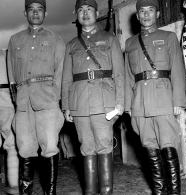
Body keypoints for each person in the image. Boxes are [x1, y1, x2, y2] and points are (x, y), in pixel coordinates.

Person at [61, 0, 124, 194]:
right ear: (76, 15)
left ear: (97, 13)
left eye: (89, 9)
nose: (85, 13)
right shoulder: (71, 45)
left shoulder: (109, 39)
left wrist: (120, 101)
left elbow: (120, 73)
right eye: (81, 10)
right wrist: (66, 106)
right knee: (86, 147)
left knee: (104, 145)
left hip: (104, 102)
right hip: (79, 103)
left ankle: (105, 192)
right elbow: (66, 79)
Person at [124, 0, 186, 194]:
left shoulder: (168, 37)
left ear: (157, 14)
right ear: (137, 16)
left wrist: (178, 101)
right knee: (149, 148)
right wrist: (128, 106)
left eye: (150, 10)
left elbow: (177, 69)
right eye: (142, 11)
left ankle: (174, 192)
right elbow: (127, 76)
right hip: (139, 103)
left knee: (168, 146)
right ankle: (159, 192)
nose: (146, 15)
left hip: (163, 99)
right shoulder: (130, 43)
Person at [7, 0, 65, 194]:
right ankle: (26, 192)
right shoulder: (15, 40)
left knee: (49, 147)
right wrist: (18, 99)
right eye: (31, 9)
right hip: (23, 103)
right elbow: (12, 77)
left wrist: (54, 97)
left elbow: (60, 73)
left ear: (45, 14)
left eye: (40, 10)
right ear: (25, 13)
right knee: (24, 147)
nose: (35, 13)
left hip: (48, 101)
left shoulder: (56, 40)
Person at [0, 49, 19, 195]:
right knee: (11, 143)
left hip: (7, 97)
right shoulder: (7, 54)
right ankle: (13, 185)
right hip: (6, 98)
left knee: (11, 143)